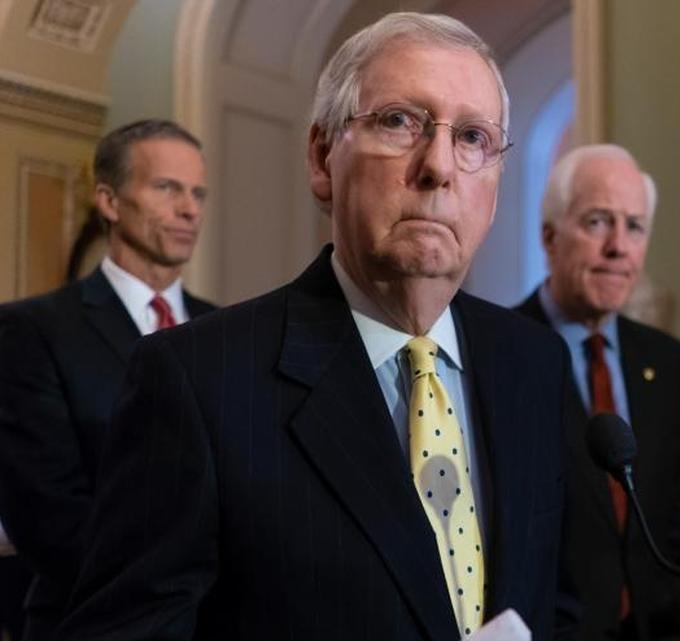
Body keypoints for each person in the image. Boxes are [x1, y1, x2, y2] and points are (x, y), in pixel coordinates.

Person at [55, 12, 570, 641]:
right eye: (400, 121)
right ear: (323, 157)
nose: (439, 166)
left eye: (472, 137)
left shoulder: (535, 361)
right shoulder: (198, 380)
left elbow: (559, 604)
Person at [0, 118, 215, 641]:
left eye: (198, 193)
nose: (190, 209)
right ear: (110, 202)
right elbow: (46, 516)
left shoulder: (224, 329)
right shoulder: (32, 330)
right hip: (89, 623)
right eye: (167, 188)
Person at [515, 144, 680, 640]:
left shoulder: (668, 363)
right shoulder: (498, 353)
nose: (619, 247)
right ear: (549, 237)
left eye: (635, 226)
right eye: (598, 222)